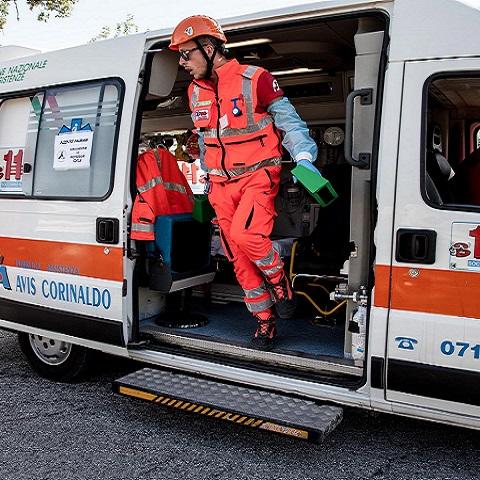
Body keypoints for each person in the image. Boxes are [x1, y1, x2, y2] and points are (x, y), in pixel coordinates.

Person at [169, 15, 323, 349]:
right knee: (236, 256)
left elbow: (291, 125)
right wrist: (201, 163)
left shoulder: (257, 79)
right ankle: (265, 322)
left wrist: (305, 158)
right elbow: (206, 137)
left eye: (186, 54)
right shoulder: (194, 93)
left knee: (247, 235)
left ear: (208, 48)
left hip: (257, 176)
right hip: (220, 186)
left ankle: (279, 279)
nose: (182, 63)